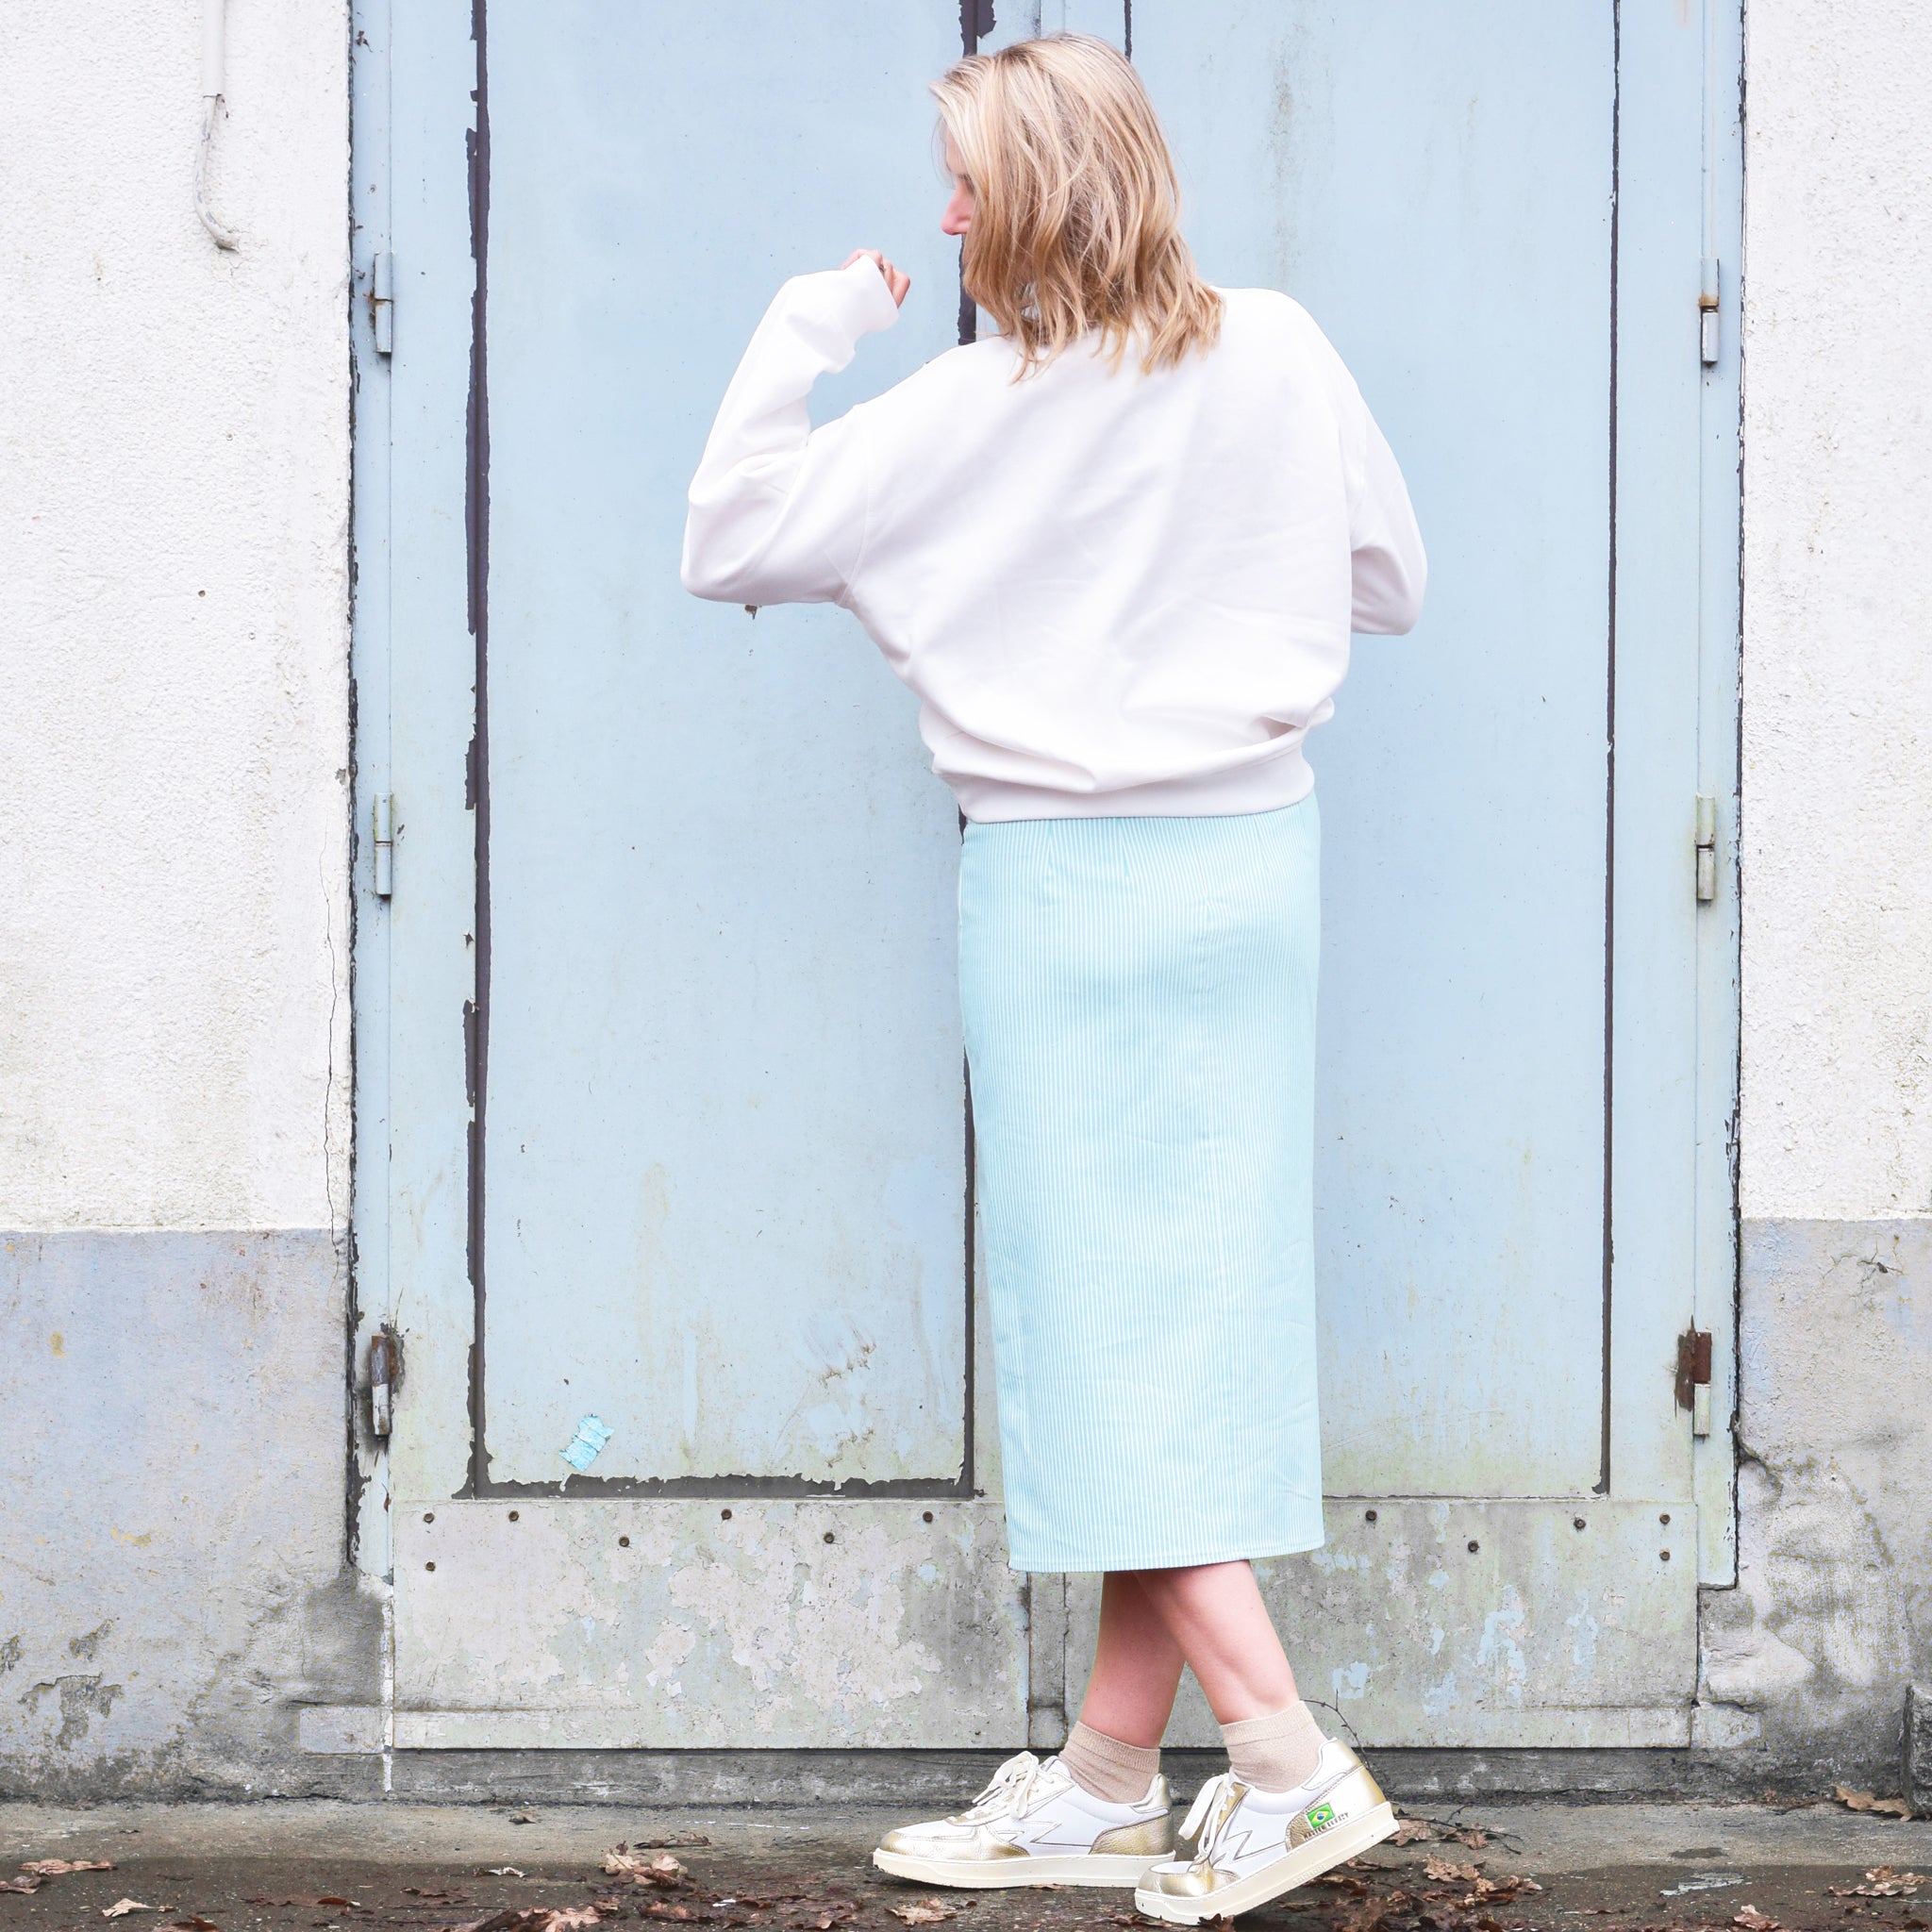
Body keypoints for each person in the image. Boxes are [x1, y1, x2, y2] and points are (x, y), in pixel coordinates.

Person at [681, 33, 1424, 1927]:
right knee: (1180, 1322)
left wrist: (808, 325)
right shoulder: (1283, 347)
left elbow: (728, 536)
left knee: (1104, 1342)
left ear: (1036, 198)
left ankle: (1286, 1763)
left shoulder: (959, 410)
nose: (943, 218)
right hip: (1253, 875)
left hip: (1068, 892)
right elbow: (1387, 583)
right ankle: (1103, 1778)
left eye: (966, 183)